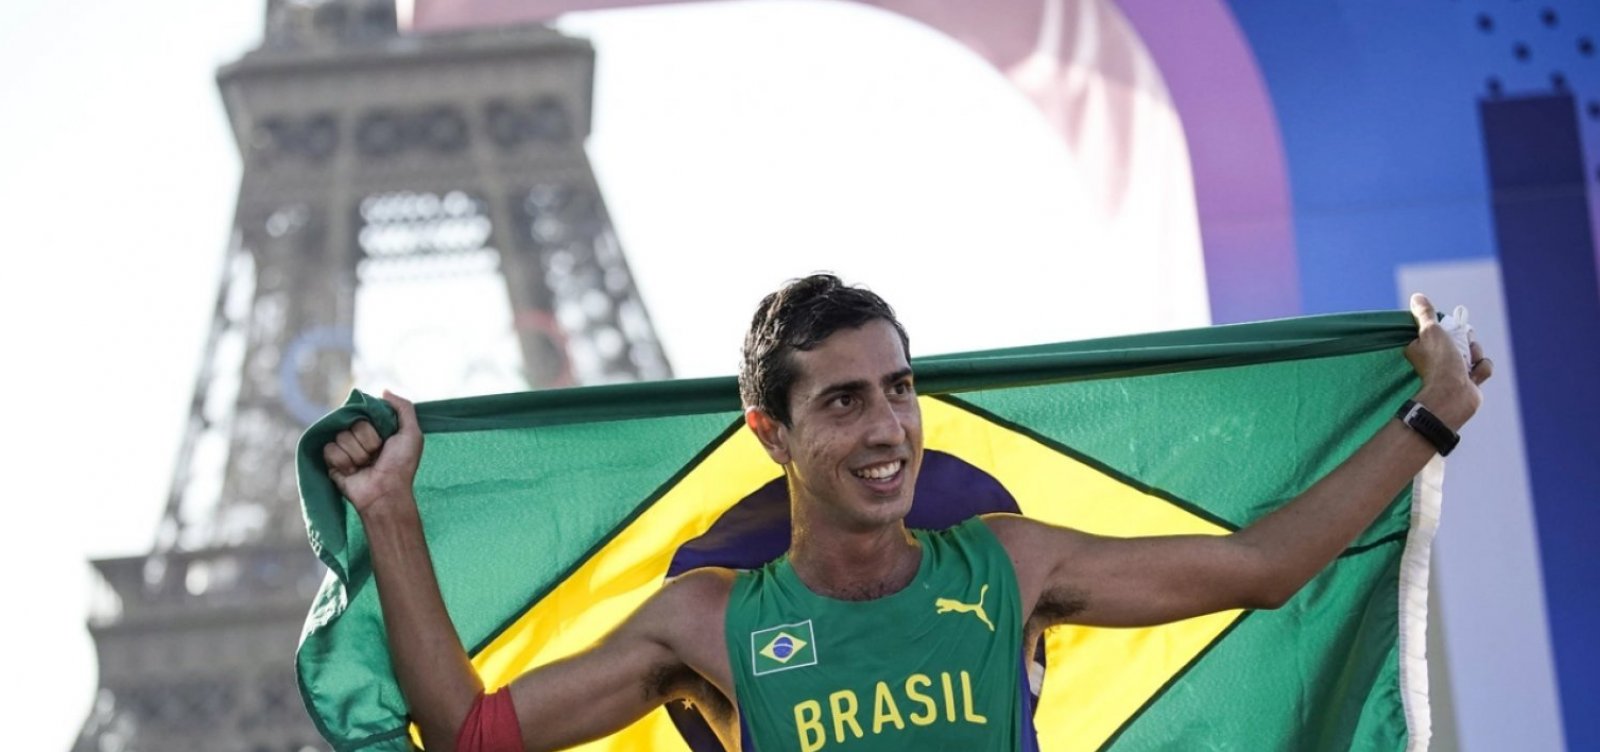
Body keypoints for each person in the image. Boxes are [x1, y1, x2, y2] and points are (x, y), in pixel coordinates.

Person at [322, 274, 1491, 752]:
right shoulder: (705, 622)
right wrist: (390, 512)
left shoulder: (1006, 563)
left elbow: (1262, 565)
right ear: (769, 432)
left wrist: (1431, 416)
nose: (887, 428)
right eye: (843, 402)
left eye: (899, 389)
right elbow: (470, 732)